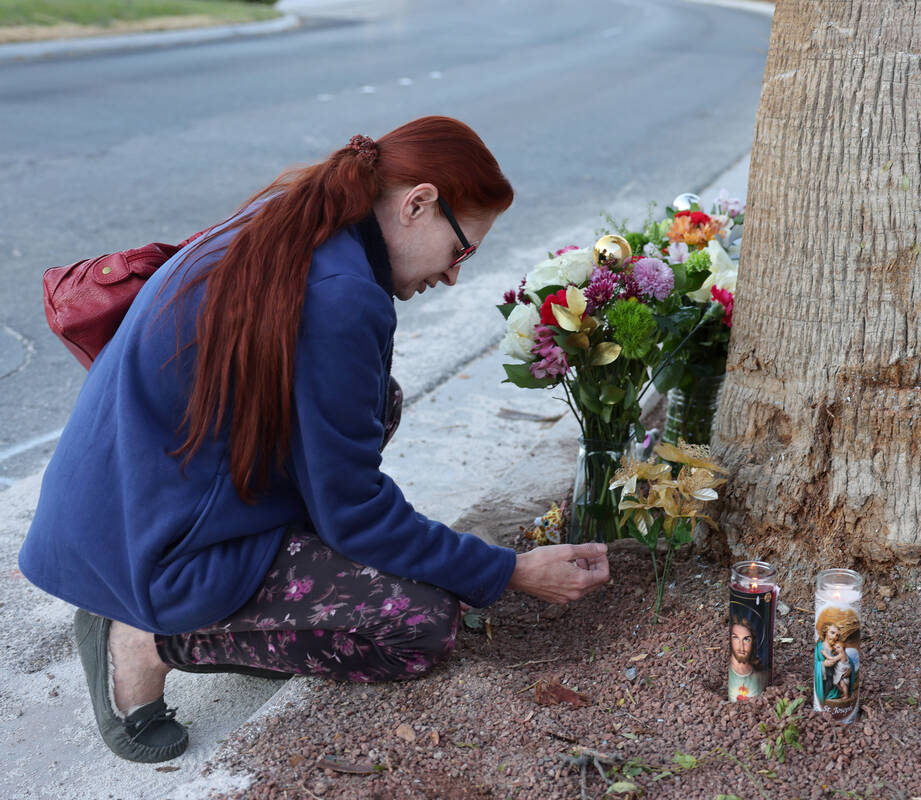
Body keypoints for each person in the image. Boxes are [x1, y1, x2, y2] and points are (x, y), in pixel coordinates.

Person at [18, 117, 610, 764]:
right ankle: (142, 638)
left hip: (122, 498)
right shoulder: (345, 295)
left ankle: (234, 598)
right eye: (461, 251)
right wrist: (511, 571)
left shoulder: (301, 213)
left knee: (375, 402)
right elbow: (354, 513)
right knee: (419, 623)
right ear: (418, 204)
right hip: (157, 546)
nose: (452, 277)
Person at [727, 610, 765, 701]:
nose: (741, 646)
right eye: (736, 638)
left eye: (746, 639)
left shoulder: (759, 674)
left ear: (753, 642)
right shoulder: (730, 672)